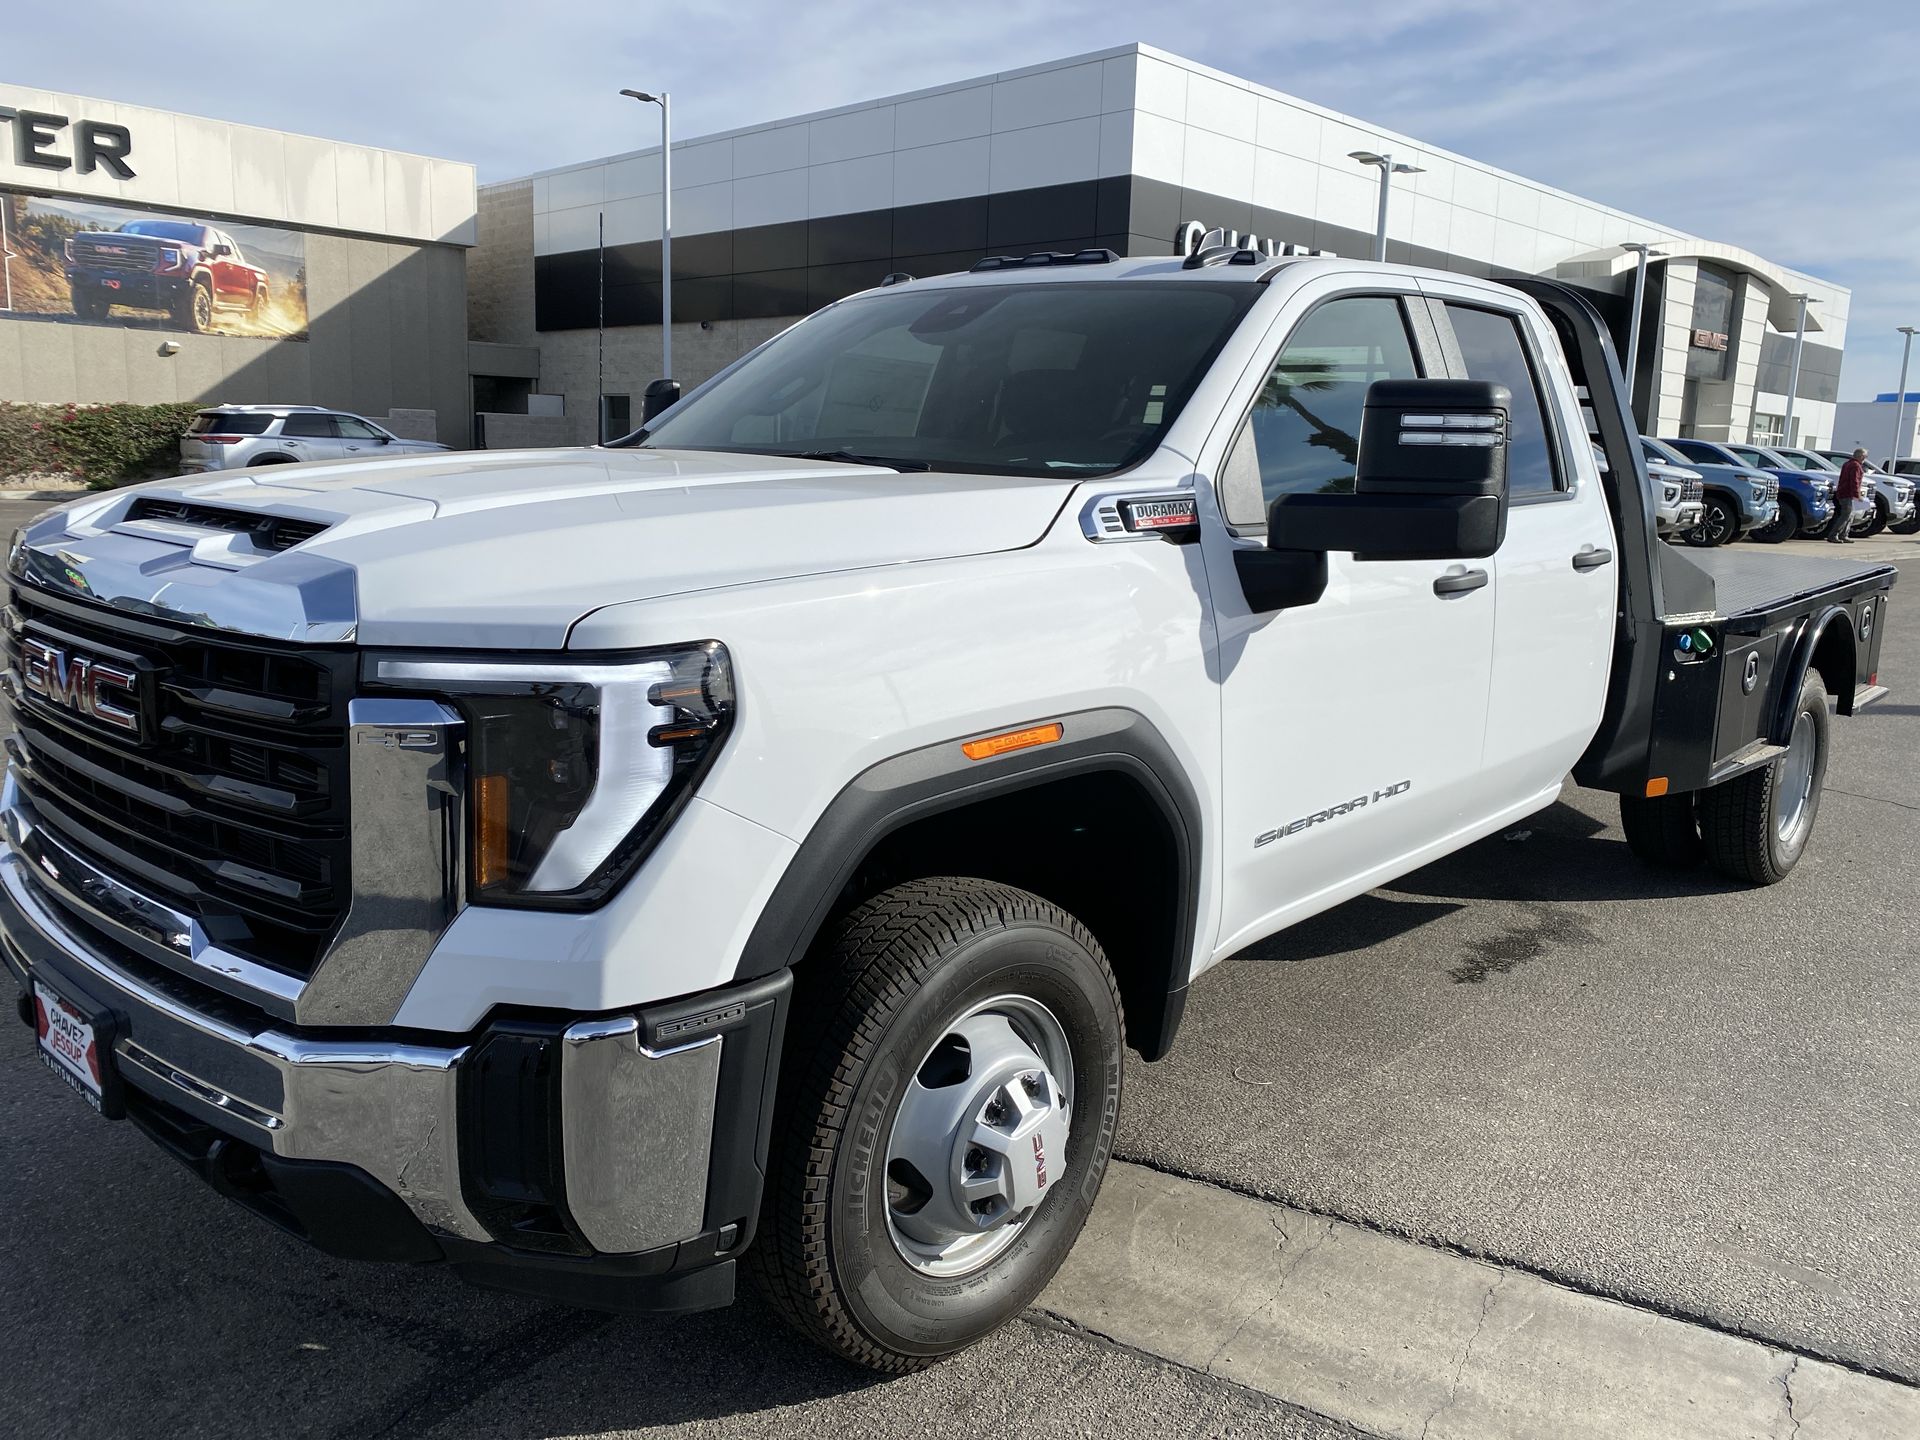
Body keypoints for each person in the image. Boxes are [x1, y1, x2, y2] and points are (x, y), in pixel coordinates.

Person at [1831, 447, 1868, 543]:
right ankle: (1834, 535)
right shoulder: (1855, 466)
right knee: (1845, 515)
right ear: (1861, 456)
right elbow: (1854, 481)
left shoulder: (1847, 464)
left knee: (1850, 515)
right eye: (1865, 456)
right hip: (1847, 494)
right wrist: (1857, 495)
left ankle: (1844, 535)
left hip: (1843, 492)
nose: (1865, 458)